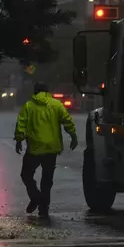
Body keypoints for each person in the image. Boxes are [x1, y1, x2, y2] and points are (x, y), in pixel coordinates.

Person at [14, 83, 78, 218]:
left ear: (35, 92)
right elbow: (67, 120)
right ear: (47, 91)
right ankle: (44, 208)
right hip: (52, 148)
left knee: (26, 174)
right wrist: (73, 135)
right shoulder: (56, 105)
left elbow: (21, 123)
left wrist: (19, 140)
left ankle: (36, 196)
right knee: (47, 179)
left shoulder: (29, 106)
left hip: (35, 148)